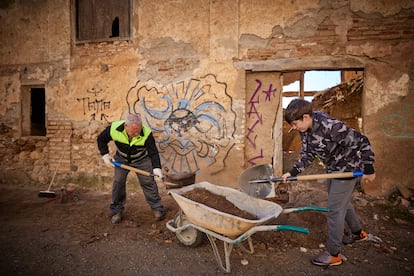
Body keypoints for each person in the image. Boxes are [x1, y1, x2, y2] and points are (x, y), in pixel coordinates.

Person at [281, 99, 375, 266]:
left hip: (347, 170)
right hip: (333, 169)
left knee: (334, 211)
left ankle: (334, 254)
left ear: (306, 117)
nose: (294, 128)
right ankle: (357, 233)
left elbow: (362, 141)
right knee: (341, 203)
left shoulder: (332, 127)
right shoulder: (305, 130)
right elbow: (307, 155)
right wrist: (292, 172)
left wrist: (368, 167)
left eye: (295, 124)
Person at [97, 113, 166, 223]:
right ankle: (117, 210)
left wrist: (156, 168)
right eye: (133, 131)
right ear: (125, 126)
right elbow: (101, 139)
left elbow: (153, 153)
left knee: (148, 182)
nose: (136, 133)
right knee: (118, 182)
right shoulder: (114, 128)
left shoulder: (146, 133)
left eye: (138, 130)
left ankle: (157, 208)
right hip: (121, 159)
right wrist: (105, 155)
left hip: (141, 159)